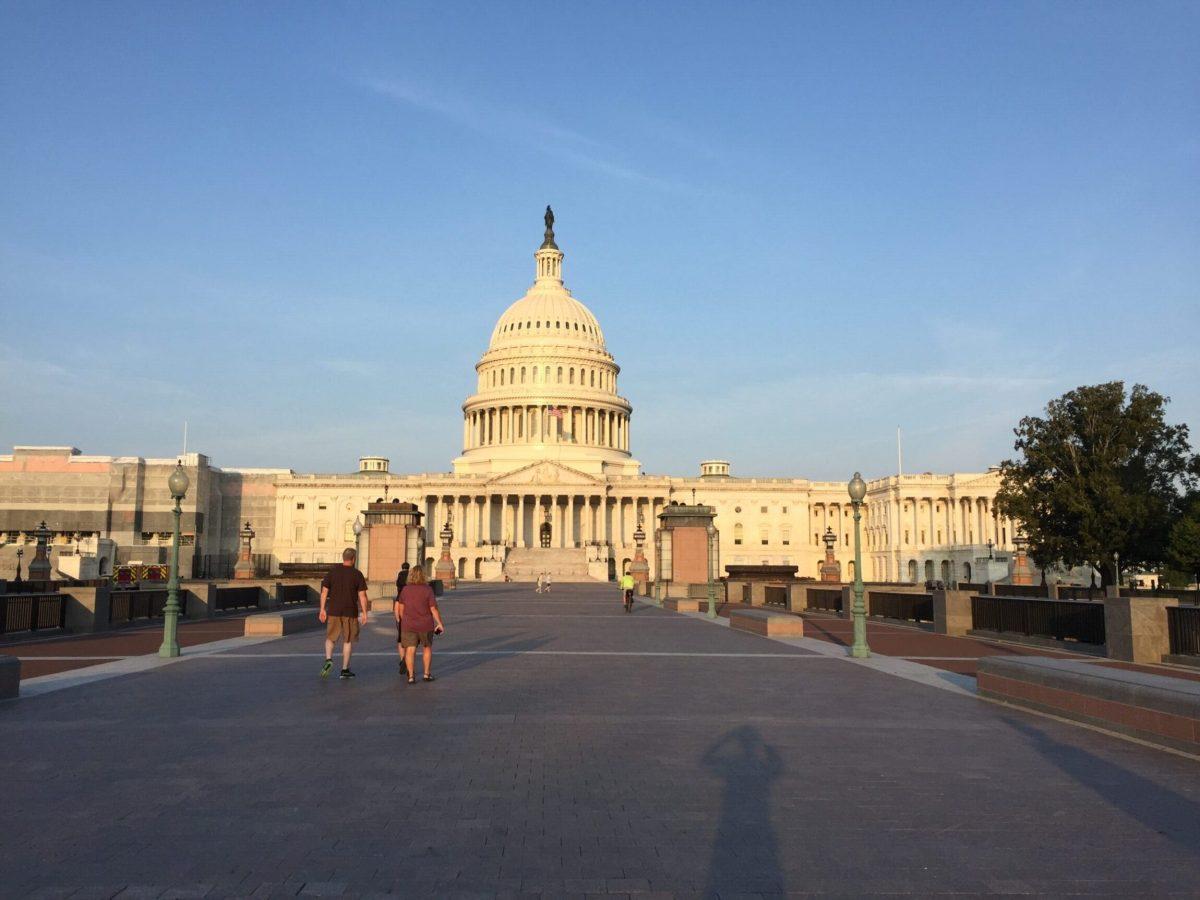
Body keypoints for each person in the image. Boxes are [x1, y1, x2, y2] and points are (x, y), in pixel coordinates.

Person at [319, 548, 368, 679]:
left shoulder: (332, 572)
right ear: (353, 559)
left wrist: (322, 609)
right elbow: (362, 596)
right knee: (347, 640)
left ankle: (328, 659)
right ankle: (344, 669)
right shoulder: (357, 574)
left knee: (330, 637)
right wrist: (364, 612)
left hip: (334, 610)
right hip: (350, 611)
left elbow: (324, 592)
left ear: (343, 558)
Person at [397, 565, 445, 684]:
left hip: (409, 624)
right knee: (427, 648)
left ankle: (411, 676)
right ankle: (426, 674)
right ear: (423, 575)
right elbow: (433, 608)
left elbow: (401, 609)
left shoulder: (405, 590)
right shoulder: (428, 589)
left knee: (410, 650)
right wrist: (440, 623)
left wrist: (406, 620)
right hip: (425, 624)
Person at [394, 562, 411, 676]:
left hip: (400, 603)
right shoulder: (410, 575)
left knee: (400, 640)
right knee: (410, 640)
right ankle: (408, 660)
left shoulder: (400, 575)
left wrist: (398, 619)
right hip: (410, 605)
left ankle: (402, 660)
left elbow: (397, 607)